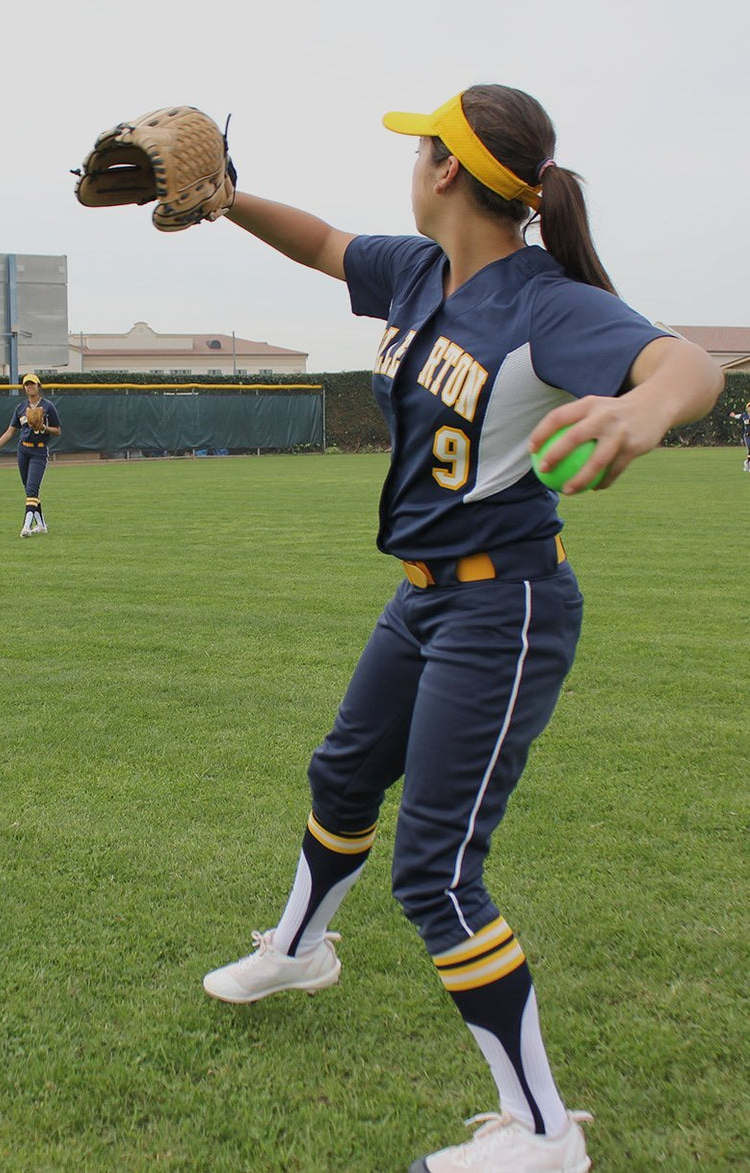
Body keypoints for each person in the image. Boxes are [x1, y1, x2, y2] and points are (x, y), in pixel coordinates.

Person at [196, 85, 723, 1173]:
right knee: (341, 774)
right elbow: (326, 246)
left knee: (434, 873)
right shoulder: (418, 271)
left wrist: (635, 410)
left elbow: (689, 366)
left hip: (505, 604)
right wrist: (225, 200)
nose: (410, 160)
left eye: (421, 146)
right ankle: (296, 949)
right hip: (423, 595)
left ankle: (541, 1135)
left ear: (448, 173)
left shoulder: (543, 303)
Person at [0, 373, 62, 536]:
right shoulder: (20, 408)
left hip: (39, 451)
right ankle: (42, 525)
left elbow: (58, 431)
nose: (29, 387)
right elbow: (9, 432)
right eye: (26, 384)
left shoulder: (48, 406)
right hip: (23, 451)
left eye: (32, 384)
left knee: (32, 489)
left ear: (38, 386)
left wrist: (44, 428)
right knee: (29, 490)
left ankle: (26, 526)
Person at [730, 399, 750, 470]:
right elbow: (738, 416)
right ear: (747, 408)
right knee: (749, 450)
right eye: (749, 406)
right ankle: (748, 465)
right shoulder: (744, 415)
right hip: (747, 436)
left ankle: (747, 463)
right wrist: (734, 415)